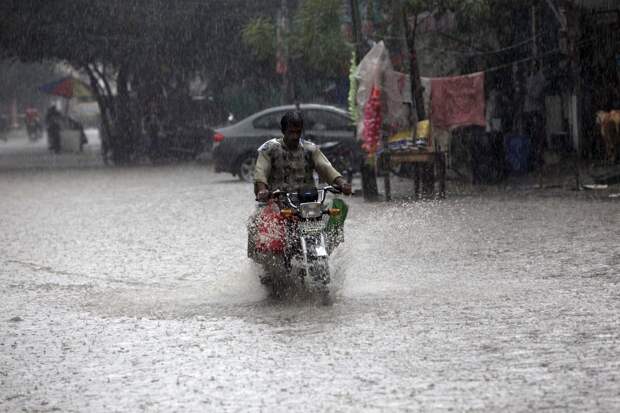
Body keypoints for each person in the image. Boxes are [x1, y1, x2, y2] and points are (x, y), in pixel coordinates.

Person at [248, 111, 352, 262]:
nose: (295, 136)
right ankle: (265, 267)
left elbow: (326, 167)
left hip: (308, 204)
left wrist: (342, 183)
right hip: (279, 203)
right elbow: (261, 171)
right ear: (283, 131)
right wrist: (263, 190)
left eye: (298, 132)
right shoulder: (269, 149)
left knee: (338, 209)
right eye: (291, 132)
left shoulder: (310, 149)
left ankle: (326, 250)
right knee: (256, 222)